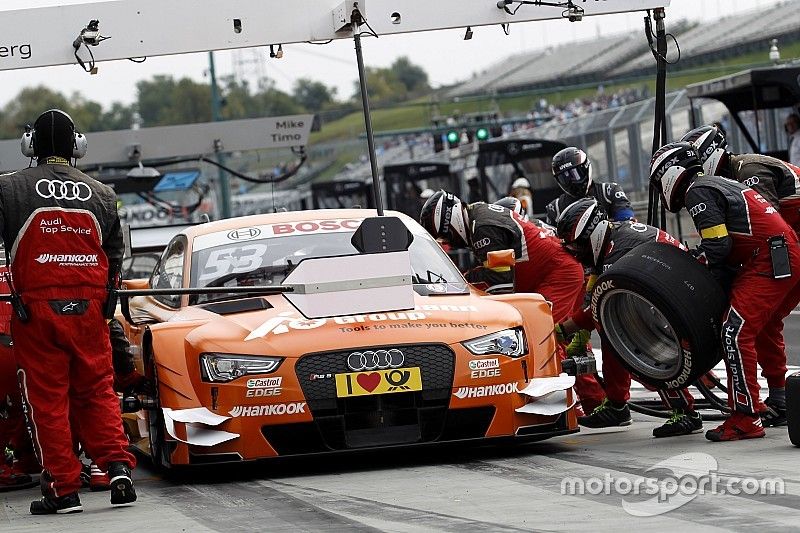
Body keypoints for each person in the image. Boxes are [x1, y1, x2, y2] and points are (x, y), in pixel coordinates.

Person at [0, 109, 137, 513]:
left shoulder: (8, 189)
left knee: (48, 401)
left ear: (31, 146)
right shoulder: (103, 193)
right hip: (91, 310)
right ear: (77, 146)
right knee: (97, 391)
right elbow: (115, 256)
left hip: (37, 311)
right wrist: (106, 302)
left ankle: (62, 489)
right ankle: (116, 468)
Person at [650, 141, 800, 442]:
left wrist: (692, 263)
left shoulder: (698, 191)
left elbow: (717, 246)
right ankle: (775, 398)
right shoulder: (714, 184)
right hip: (776, 254)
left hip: (770, 258)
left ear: (670, 172)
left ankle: (746, 417)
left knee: (735, 331)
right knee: (755, 327)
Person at [420, 190, 606, 412]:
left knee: (544, 340)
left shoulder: (483, 228)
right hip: (558, 272)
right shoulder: (480, 216)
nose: (452, 242)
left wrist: (464, 280)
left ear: (451, 222)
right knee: (567, 339)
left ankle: (563, 408)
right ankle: (595, 402)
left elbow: (500, 286)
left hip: (557, 275)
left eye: (448, 235)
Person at [553, 198, 702, 437]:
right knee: (612, 330)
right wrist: (578, 330)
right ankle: (616, 405)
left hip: (685, 296)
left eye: (577, 247)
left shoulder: (618, 252)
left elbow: (603, 302)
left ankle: (685, 412)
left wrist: (566, 328)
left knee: (637, 338)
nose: (576, 254)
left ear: (591, 234)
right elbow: (594, 296)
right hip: (675, 290)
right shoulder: (609, 242)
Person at [546, 147, 635, 225]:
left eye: (575, 174)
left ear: (586, 167)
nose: (572, 182)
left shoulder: (609, 191)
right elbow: (551, 240)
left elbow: (627, 221)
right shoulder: (555, 208)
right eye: (565, 178)